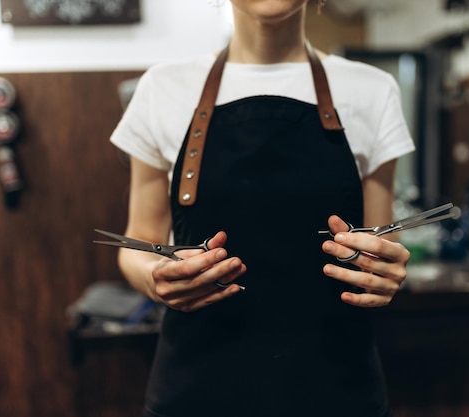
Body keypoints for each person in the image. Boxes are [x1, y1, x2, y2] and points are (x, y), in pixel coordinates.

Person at [110, 1, 415, 416]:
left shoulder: (373, 90)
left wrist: (386, 271)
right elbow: (136, 246)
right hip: (197, 391)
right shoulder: (162, 87)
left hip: (336, 390)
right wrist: (154, 277)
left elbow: (383, 243)